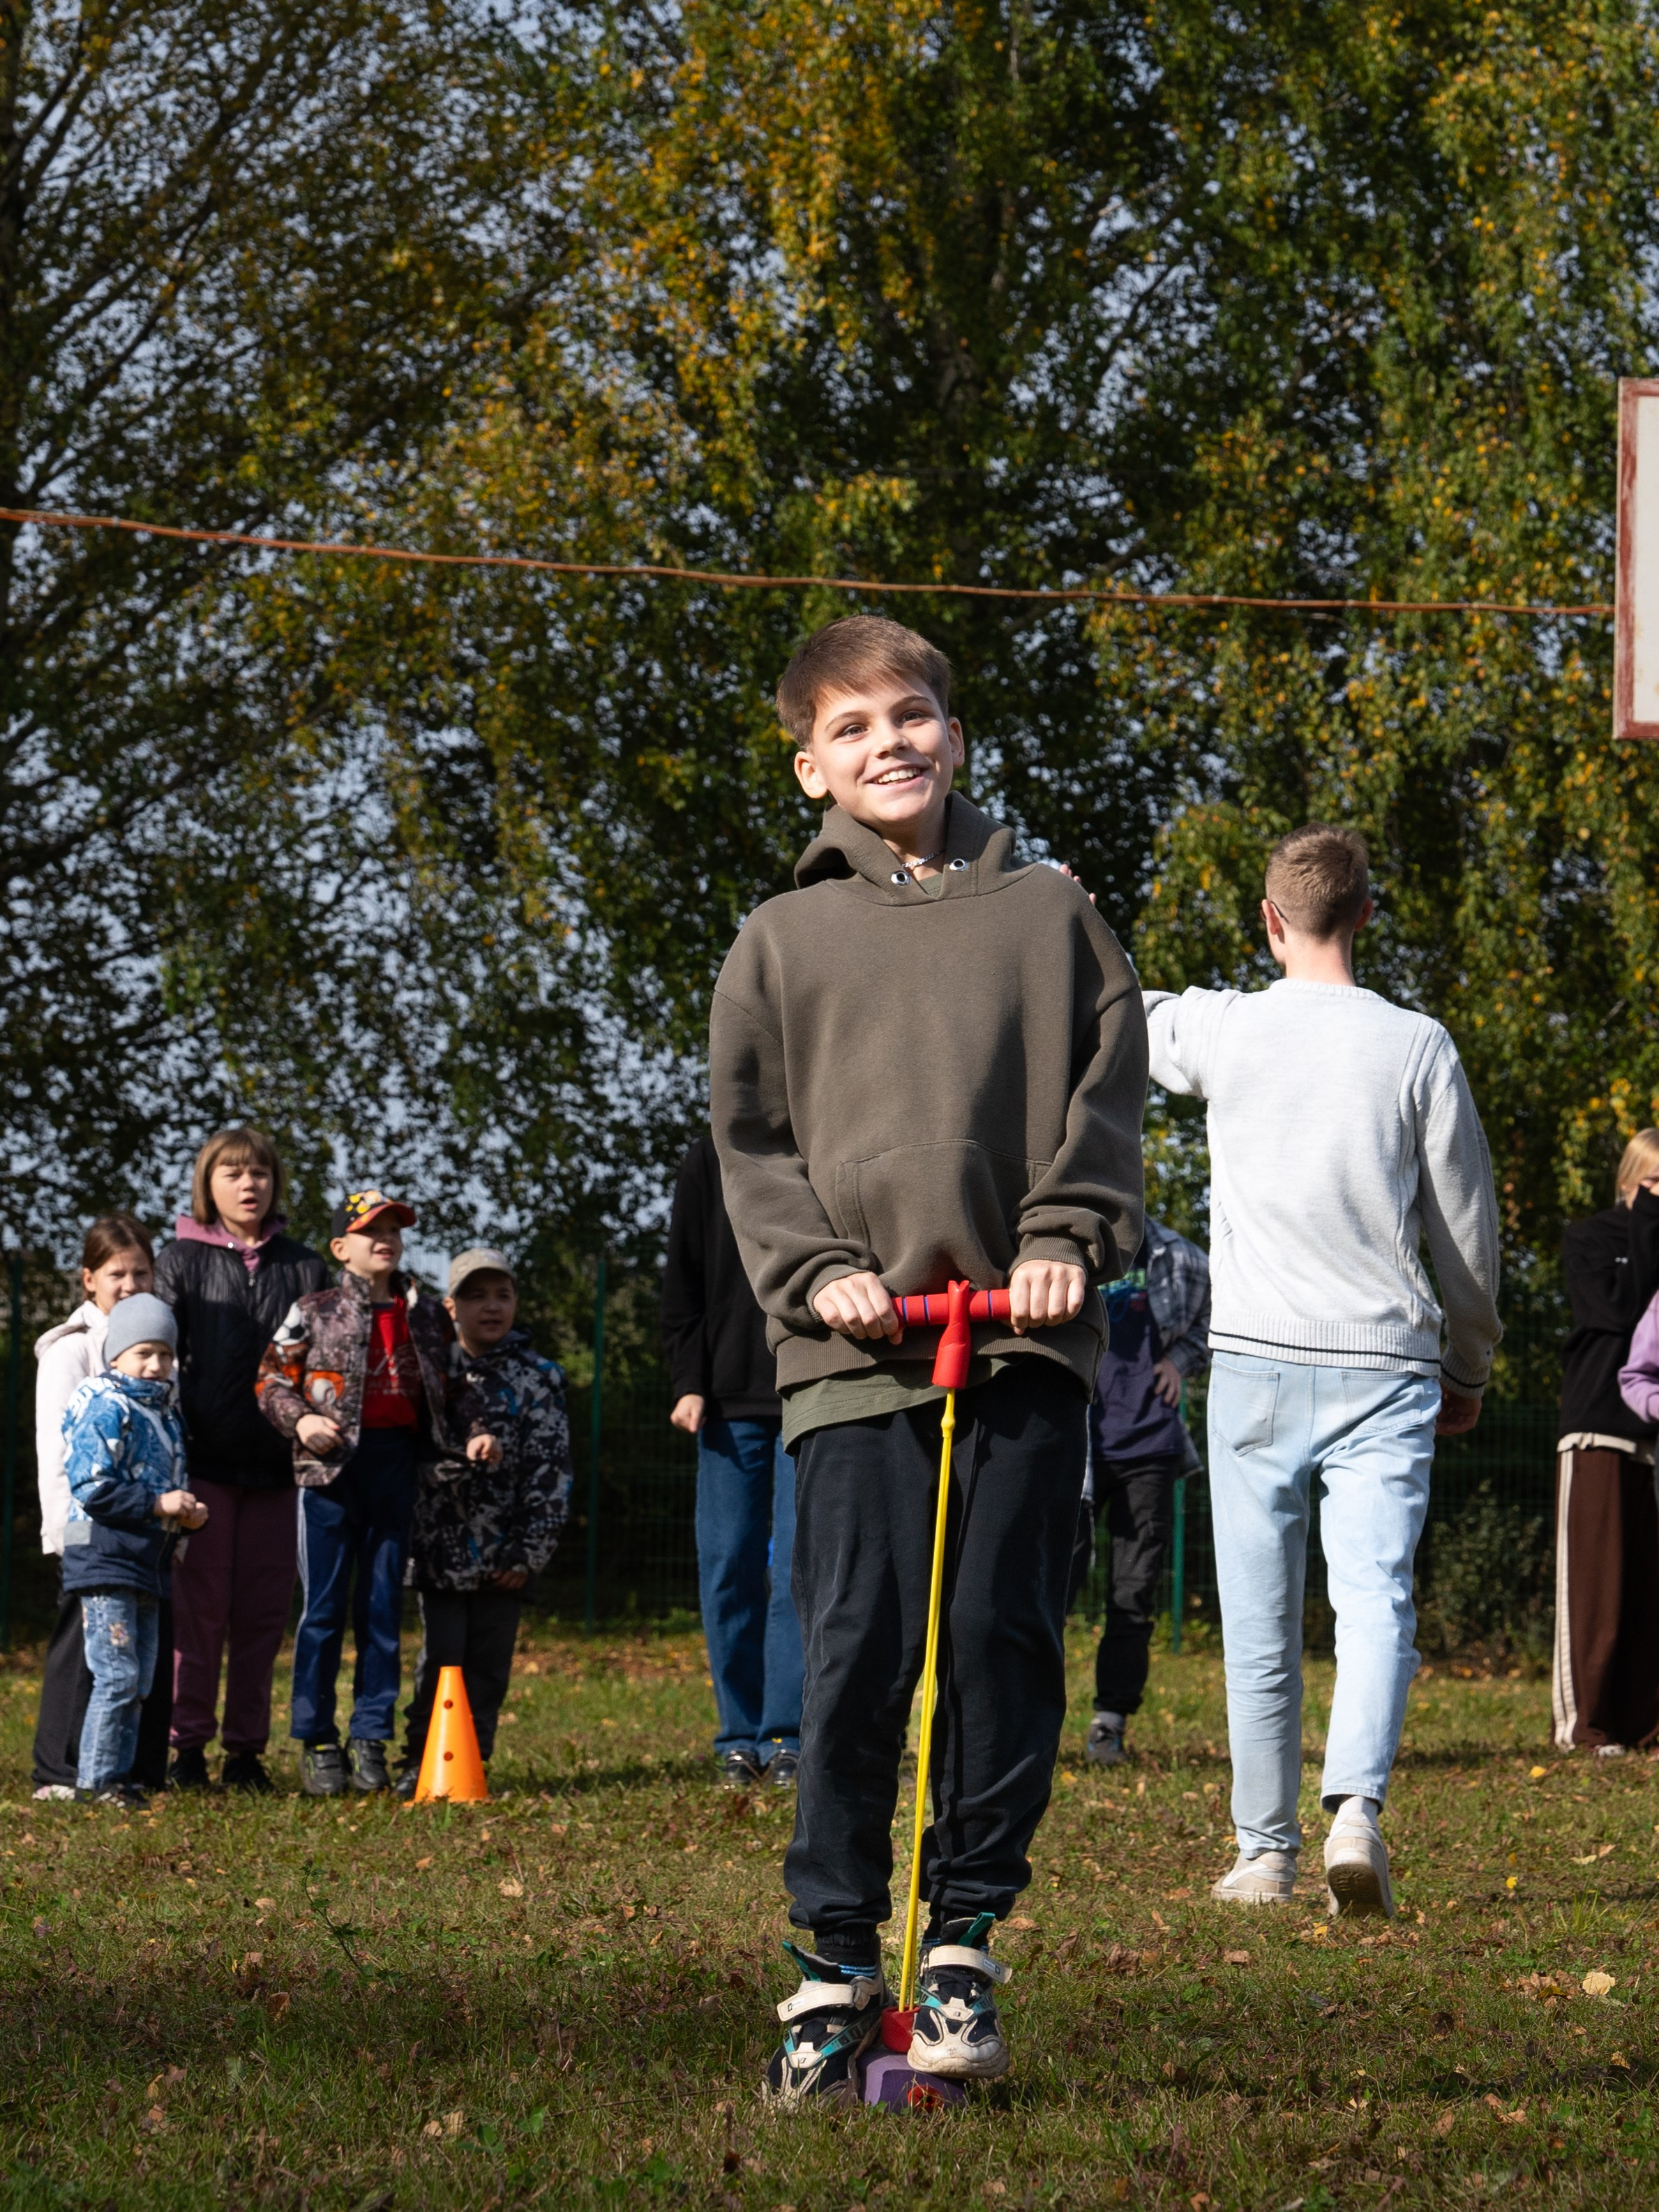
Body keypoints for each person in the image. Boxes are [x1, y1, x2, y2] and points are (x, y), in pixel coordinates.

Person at [710, 615, 1147, 2102]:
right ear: (806, 765)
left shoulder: (1048, 914)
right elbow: (750, 1141)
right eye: (851, 728)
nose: (887, 742)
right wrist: (817, 1270)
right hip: (851, 1354)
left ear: (951, 734)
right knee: (852, 1651)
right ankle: (832, 1957)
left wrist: (1064, 1231)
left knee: (998, 1642)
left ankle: (959, 1937)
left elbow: (1101, 1090)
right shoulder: (781, 940)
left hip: (1018, 1341)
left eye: (911, 715)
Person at [1146, 823, 1501, 1920]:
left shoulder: (1225, 1028)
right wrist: (1470, 1361)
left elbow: (1109, 1004)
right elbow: (1466, 1231)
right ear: (1363, 914)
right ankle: (1355, 1808)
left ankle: (1263, 1854)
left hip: (1254, 1363)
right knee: (1372, 1601)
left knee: (1257, 1618)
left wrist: (1058, 906)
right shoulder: (1415, 1044)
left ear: (1268, 919)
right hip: (1385, 1364)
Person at [255, 1188, 500, 1796]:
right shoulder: (312, 1310)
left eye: (394, 1228)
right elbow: (269, 1379)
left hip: (397, 1469)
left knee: (383, 1610)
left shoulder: (425, 1314)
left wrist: (475, 1431)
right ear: (341, 1247)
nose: (384, 1238)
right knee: (324, 1610)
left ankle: (369, 1739)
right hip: (331, 1472)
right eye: (370, 1230)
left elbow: (454, 1386)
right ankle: (317, 1742)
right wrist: (302, 1422)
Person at [154, 1128, 329, 1792]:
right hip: (202, 1467)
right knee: (199, 1616)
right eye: (232, 1173)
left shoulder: (306, 1267)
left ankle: (246, 1754)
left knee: (260, 1617)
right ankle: (186, 1749)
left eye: (259, 1173)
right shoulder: (178, 1260)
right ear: (209, 1184)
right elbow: (159, 1363)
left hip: (280, 1472)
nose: (248, 1184)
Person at [398, 1248, 571, 1794]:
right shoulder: (430, 1371)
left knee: (490, 1667)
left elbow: (552, 1472)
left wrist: (527, 1554)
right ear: (450, 1307)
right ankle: (419, 1761)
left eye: (503, 1295)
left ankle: (475, 1763)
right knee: (440, 1661)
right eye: (476, 1296)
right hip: (440, 1552)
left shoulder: (540, 1378)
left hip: (506, 1556)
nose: (491, 1307)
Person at [663, 1130, 804, 1791]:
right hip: (724, 1400)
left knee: (801, 1571)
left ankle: (789, 1738)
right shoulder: (709, 1154)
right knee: (729, 1566)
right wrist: (687, 1380)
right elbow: (682, 1275)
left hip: (815, 1384)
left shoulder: (832, 1136)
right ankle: (738, 1740)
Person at [32, 1216, 172, 1799]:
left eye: (142, 1271)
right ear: (90, 1280)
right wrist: (65, 1531)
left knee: (142, 1655)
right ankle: (61, 1772)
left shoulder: (160, 1348)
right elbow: (58, 1452)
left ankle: (132, 1770)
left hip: (148, 1530)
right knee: (83, 1652)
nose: (131, 1283)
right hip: (89, 1529)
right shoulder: (71, 1351)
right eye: (118, 1273)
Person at [61, 1294, 207, 1804]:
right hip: (105, 1558)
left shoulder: (166, 1413)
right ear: (116, 1355)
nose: (156, 1365)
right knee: (117, 1673)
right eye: (144, 1352)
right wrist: (159, 1503)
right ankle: (96, 1782)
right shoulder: (106, 1405)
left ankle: (121, 1779)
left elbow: (171, 1480)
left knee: (140, 1678)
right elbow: (92, 1486)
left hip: (147, 1560)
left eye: (165, 1355)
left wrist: (186, 1517)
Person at [1081, 1215, 1210, 1768]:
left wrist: (1181, 1361)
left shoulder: (1178, 1257)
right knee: (1047, 1590)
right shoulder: (1063, 1248)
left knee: (1132, 1596)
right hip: (1074, 1449)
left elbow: (1219, 1321)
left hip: (1150, 1450)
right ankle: (1026, 1721)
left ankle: (1110, 1723)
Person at [1557, 1132, 1659, 1755]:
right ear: (1632, 1181)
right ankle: (1584, 1726)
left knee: (1647, 1586)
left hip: (1655, 1433)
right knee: (1598, 1587)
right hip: (1598, 1423)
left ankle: (1642, 1724)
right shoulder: (1591, 1237)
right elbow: (1620, 1314)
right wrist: (1646, 1225)